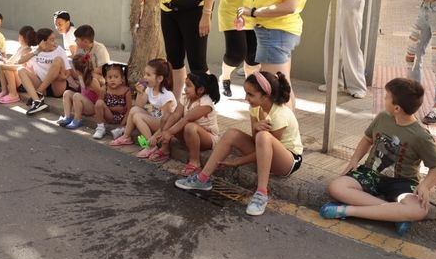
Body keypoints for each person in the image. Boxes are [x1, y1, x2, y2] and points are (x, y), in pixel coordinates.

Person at [320, 77, 436, 236]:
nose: (384, 100)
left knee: (419, 209)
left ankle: (347, 211)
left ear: (397, 108)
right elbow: (367, 139)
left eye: (387, 97)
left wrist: (425, 185)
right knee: (336, 187)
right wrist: (354, 160)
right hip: (370, 173)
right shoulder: (383, 117)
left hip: (403, 182)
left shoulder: (421, 136)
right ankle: (395, 215)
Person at [175, 71, 303, 217]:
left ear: (266, 96)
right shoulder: (255, 107)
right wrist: (255, 127)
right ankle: (202, 178)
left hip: (288, 160)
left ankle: (261, 193)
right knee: (232, 133)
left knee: (263, 135)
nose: (246, 98)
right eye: (246, 93)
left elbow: (266, 147)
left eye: (250, 94)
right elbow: (257, 142)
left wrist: (238, 161)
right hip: (265, 152)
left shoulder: (281, 114)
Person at [145, 72, 221, 176]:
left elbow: (186, 119)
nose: (185, 89)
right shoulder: (185, 98)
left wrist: (169, 132)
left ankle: (195, 161)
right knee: (168, 117)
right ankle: (165, 148)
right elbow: (176, 115)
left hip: (207, 138)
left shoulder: (205, 103)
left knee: (190, 126)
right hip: (188, 134)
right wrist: (163, 132)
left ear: (201, 90)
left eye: (189, 86)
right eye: (185, 85)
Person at [110, 58, 177, 148]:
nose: (145, 77)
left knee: (138, 116)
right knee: (134, 110)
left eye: (148, 75)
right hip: (154, 119)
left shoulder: (167, 96)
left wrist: (155, 136)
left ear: (160, 78)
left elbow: (166, 121)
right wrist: (140, 92)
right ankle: (126, 137)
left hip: (163, 126)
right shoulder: (149, 89)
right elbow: (139, 106)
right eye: (145, 74)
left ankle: (150, 144)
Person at [16, 28, 71, 115]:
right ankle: (37, 101)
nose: (55, 42)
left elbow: (68, 71)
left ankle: (39, 93)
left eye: (54, 39)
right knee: (20, 70)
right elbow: (19, 61)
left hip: (57, 86)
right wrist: (38, 50)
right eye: (52, 40)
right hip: (42, 85)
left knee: (58, 60)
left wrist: (63, 77)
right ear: (43, 42)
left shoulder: (59, 50)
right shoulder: (36, 50)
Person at [57, 53, 103, 130]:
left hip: (91, 108)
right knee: (67, 93)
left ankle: (77, 119)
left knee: (77, 96)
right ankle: (67, 117)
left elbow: (101, 95)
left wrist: (99, 111)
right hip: (82, 104)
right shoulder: (80, 76)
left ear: (77, 70)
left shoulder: (92, 80)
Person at [0, 26, 38, 104]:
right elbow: (10, 61)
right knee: (1, 64)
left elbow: (21, 67)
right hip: (16, 78)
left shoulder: (28, 51)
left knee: (8, 68)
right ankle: (4, 90)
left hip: (23, 83)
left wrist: (6, 65)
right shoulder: (20, 48)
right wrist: (2, 59)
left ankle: (13, 94)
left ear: (21, 37)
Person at [93, 63, 131, 140]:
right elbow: (99, 105)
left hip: (123, 118)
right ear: (106, 79)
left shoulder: (126, 91)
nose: (112, 80)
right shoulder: (105, 89)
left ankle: (121, 129)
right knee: (99, 102)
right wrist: (114, 109)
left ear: (122, 79)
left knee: (131, 113)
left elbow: (129, 109)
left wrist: (122, 124)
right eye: (110, 77)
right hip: (109, 116)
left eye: (116, 77)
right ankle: (100, 128)